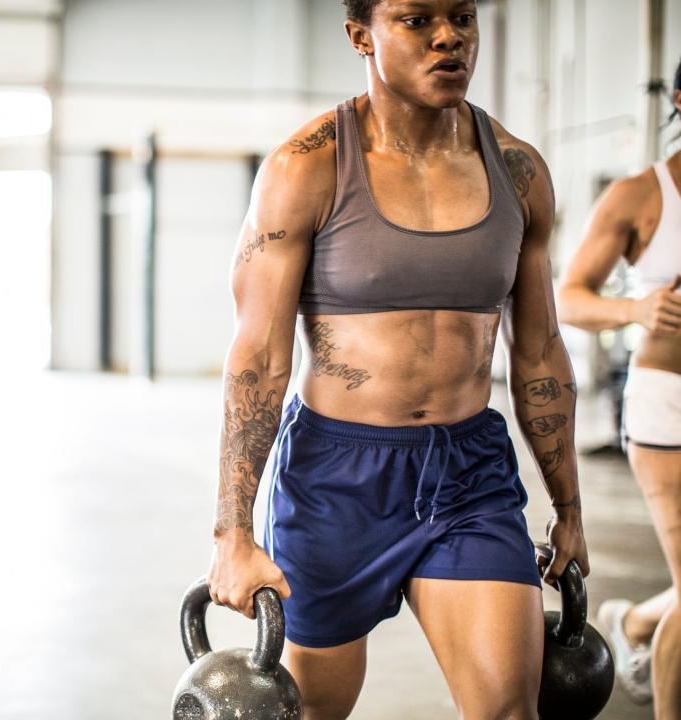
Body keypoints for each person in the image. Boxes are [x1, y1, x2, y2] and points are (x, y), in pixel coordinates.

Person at [204, 1, 589, 718]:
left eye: (462, 17)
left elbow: (539, 349)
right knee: (317, 710)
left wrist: (569, 509)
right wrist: (233, 532)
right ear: (361, 36)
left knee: (510, 708)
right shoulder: (306, 167)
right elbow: (258, 356)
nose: (448, 36)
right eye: (416, 20)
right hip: (336, 478)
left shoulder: (518, 171)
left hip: (468, 474)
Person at [558, 56, 681, 715]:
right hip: (668, 402)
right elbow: (570, 297)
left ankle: (635, 624)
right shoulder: (643, 194)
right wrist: (635, 310)